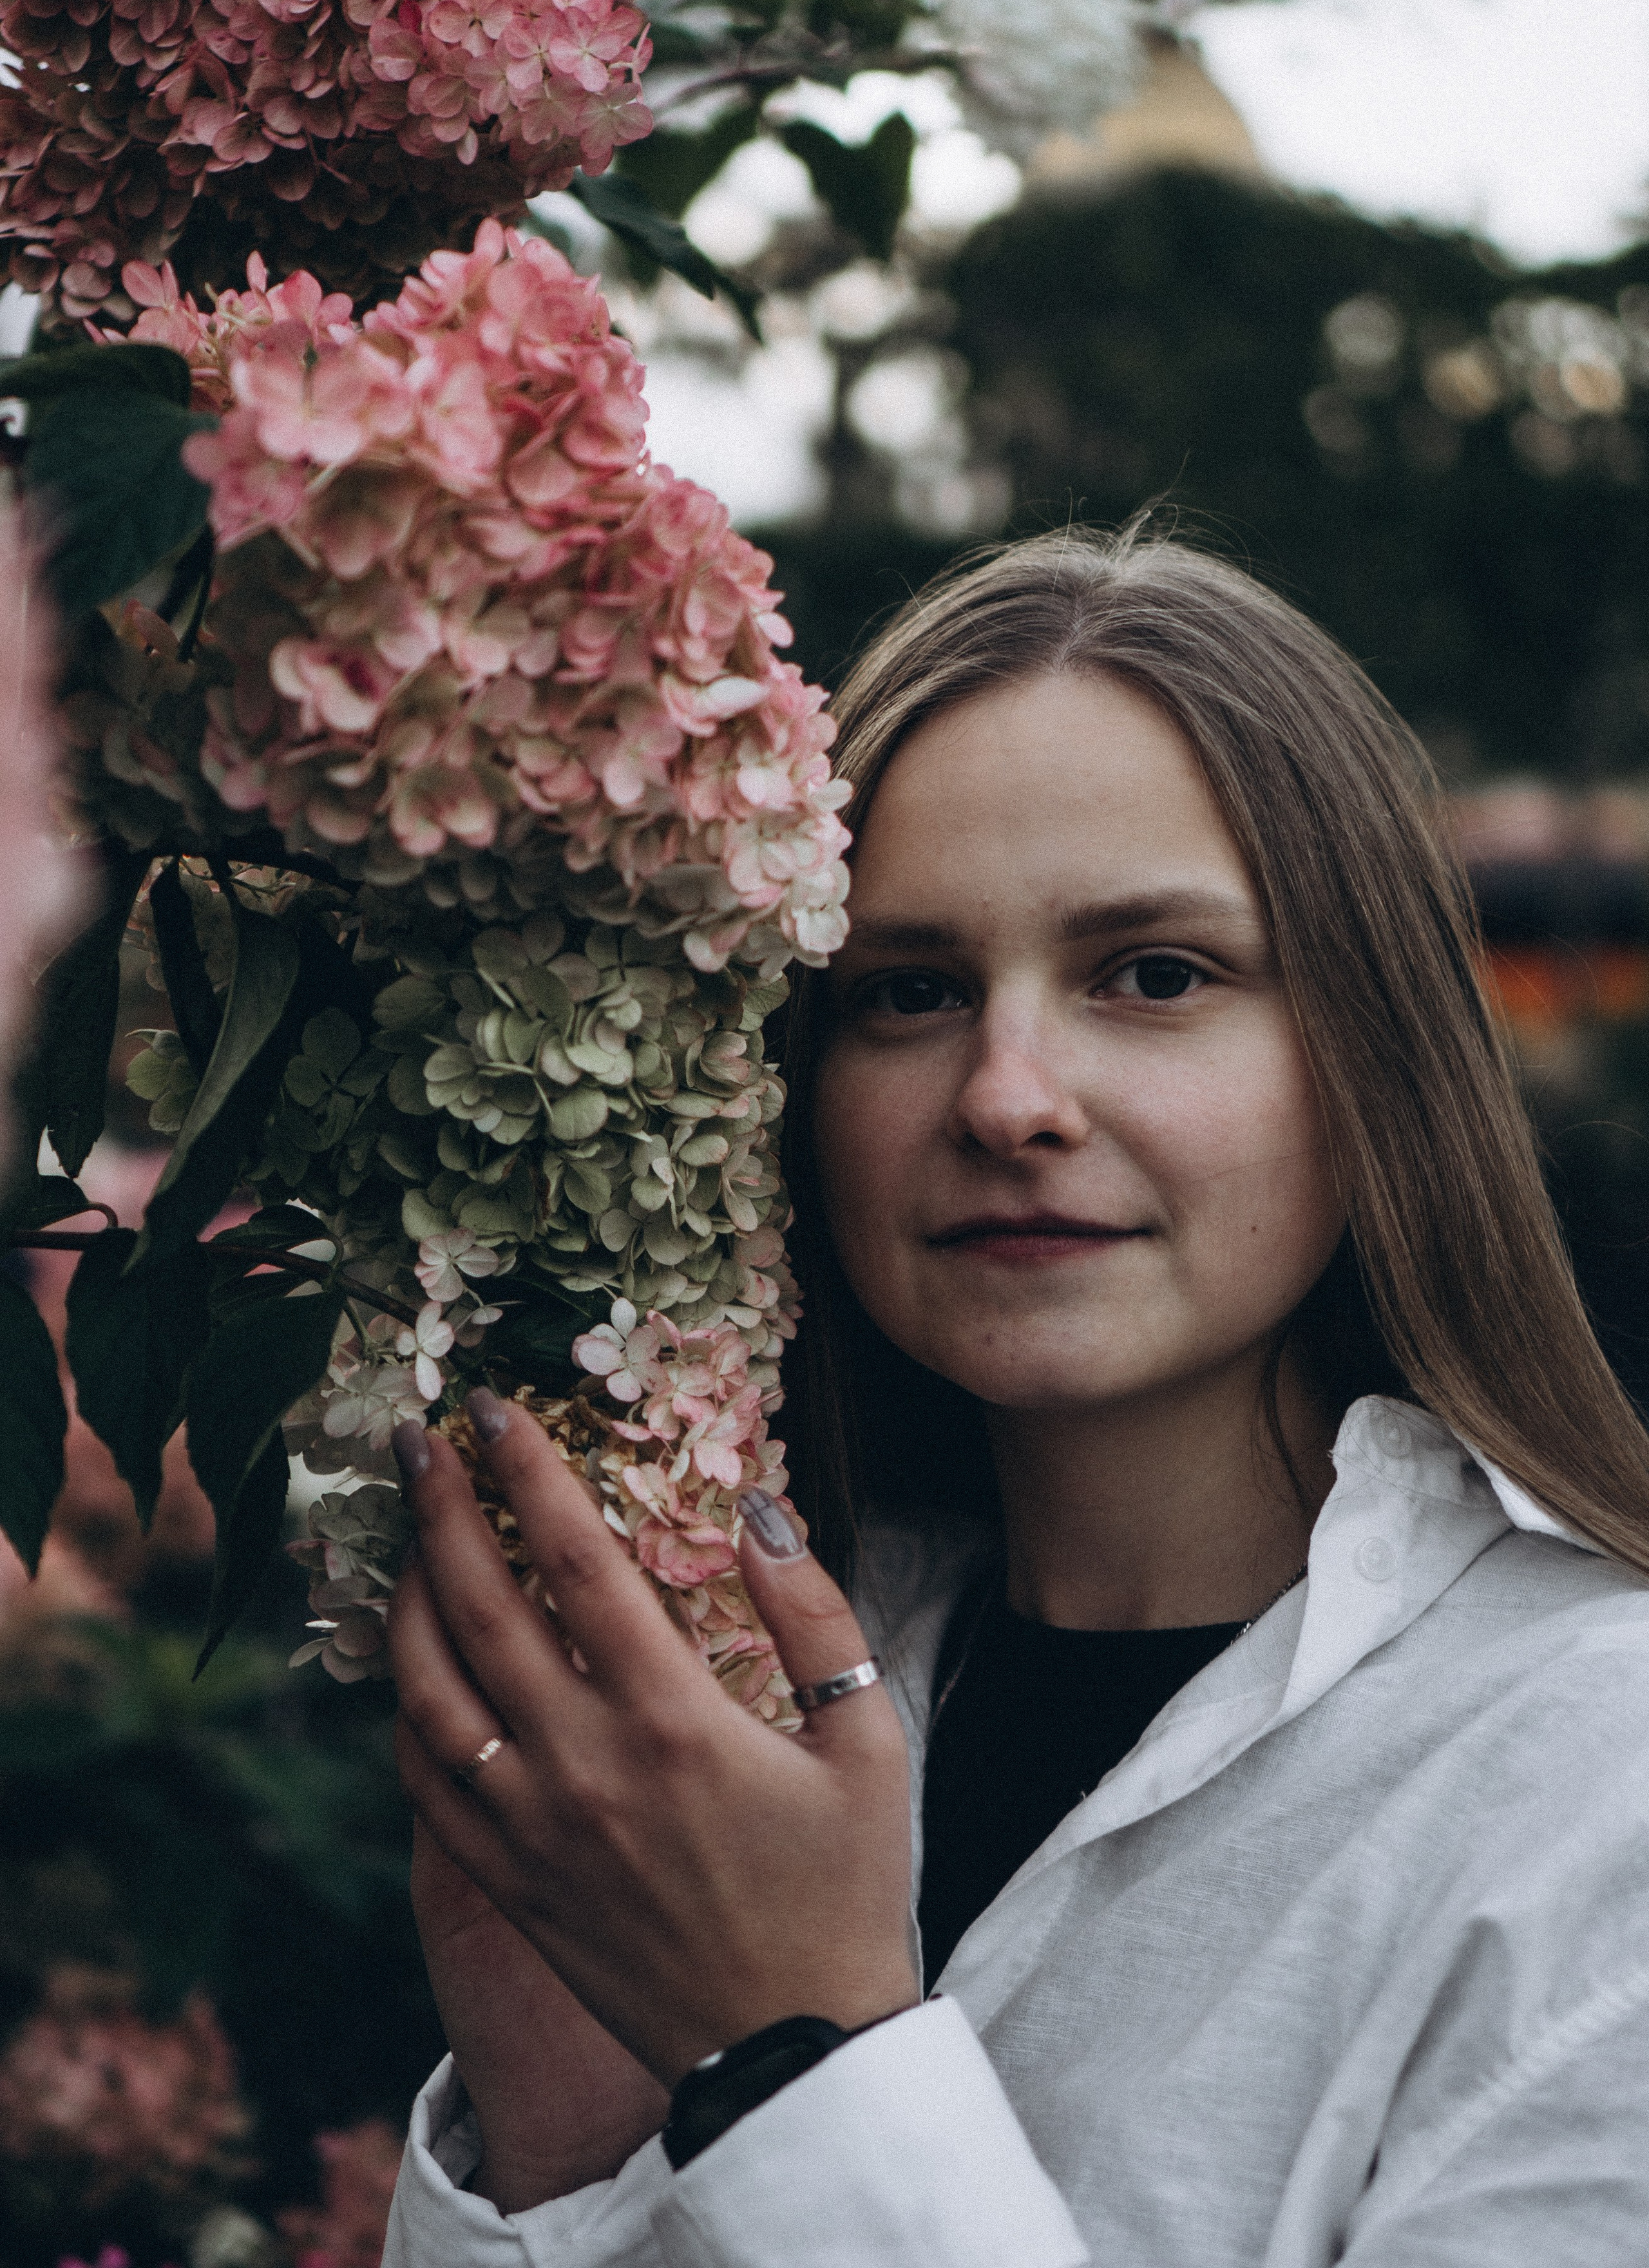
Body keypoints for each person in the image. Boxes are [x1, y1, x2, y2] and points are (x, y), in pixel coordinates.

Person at [381, 522, 1649, 2268]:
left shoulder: (1600, 1776)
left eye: (1155, 974)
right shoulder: (710, 1730)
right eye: (908, 992)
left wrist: (802, 2046)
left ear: (1373, 1052)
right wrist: (566, 2134)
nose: (1009, 1095)